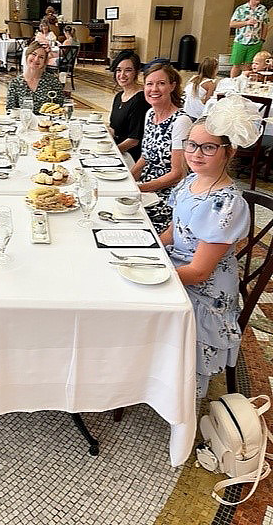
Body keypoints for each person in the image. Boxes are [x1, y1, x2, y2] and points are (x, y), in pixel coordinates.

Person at [161, 97, 258, 397]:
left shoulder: (225, 203)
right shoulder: (192, 182)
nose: (195, 154)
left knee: (130, 296)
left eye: (208, 147)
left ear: (230, 151)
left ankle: (170, 385)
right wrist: (146, 247)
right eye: (191, 144)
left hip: (203, 290)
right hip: (179, 267)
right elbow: (173, 233)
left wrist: (153, 275)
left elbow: (200, 272)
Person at [131, 63, 192, 233]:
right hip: (146, 187)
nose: (154, 89)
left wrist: (139, 188)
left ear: (172, 86)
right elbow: (145, 157)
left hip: (167, 195)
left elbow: (177, 174)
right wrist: (127, 180)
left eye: (161, 83)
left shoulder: (181, 121)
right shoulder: (150, 114)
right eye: (149, 84)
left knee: (130, 223)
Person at [107, 50, 149, 163]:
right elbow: (113, 128)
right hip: (118, 149)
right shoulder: (119, 96)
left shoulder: (140, 100)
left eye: (128, 70)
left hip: (130, 155)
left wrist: (111, 153)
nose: (122, 75)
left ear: (136, 72)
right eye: (119, 70)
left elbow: (134, 140)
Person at [6, 41, 65, 114]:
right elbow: (10, 111)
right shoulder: (15, 83)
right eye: (34, 54)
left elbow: (60, 108)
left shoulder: (53, 81)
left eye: (41, 57)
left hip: (47, 123)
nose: (36, 59)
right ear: (27, 56)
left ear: (45, 62)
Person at [229, 0, 269, 78]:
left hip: (255, 42)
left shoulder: (263, 9)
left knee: (250, 65)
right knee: (236, 64)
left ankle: (246, 83)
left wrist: (262, 39)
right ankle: (232, 82)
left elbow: (265, 25)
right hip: (240, 41)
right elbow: (232, 24)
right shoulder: (241, 9)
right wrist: (246, 23)